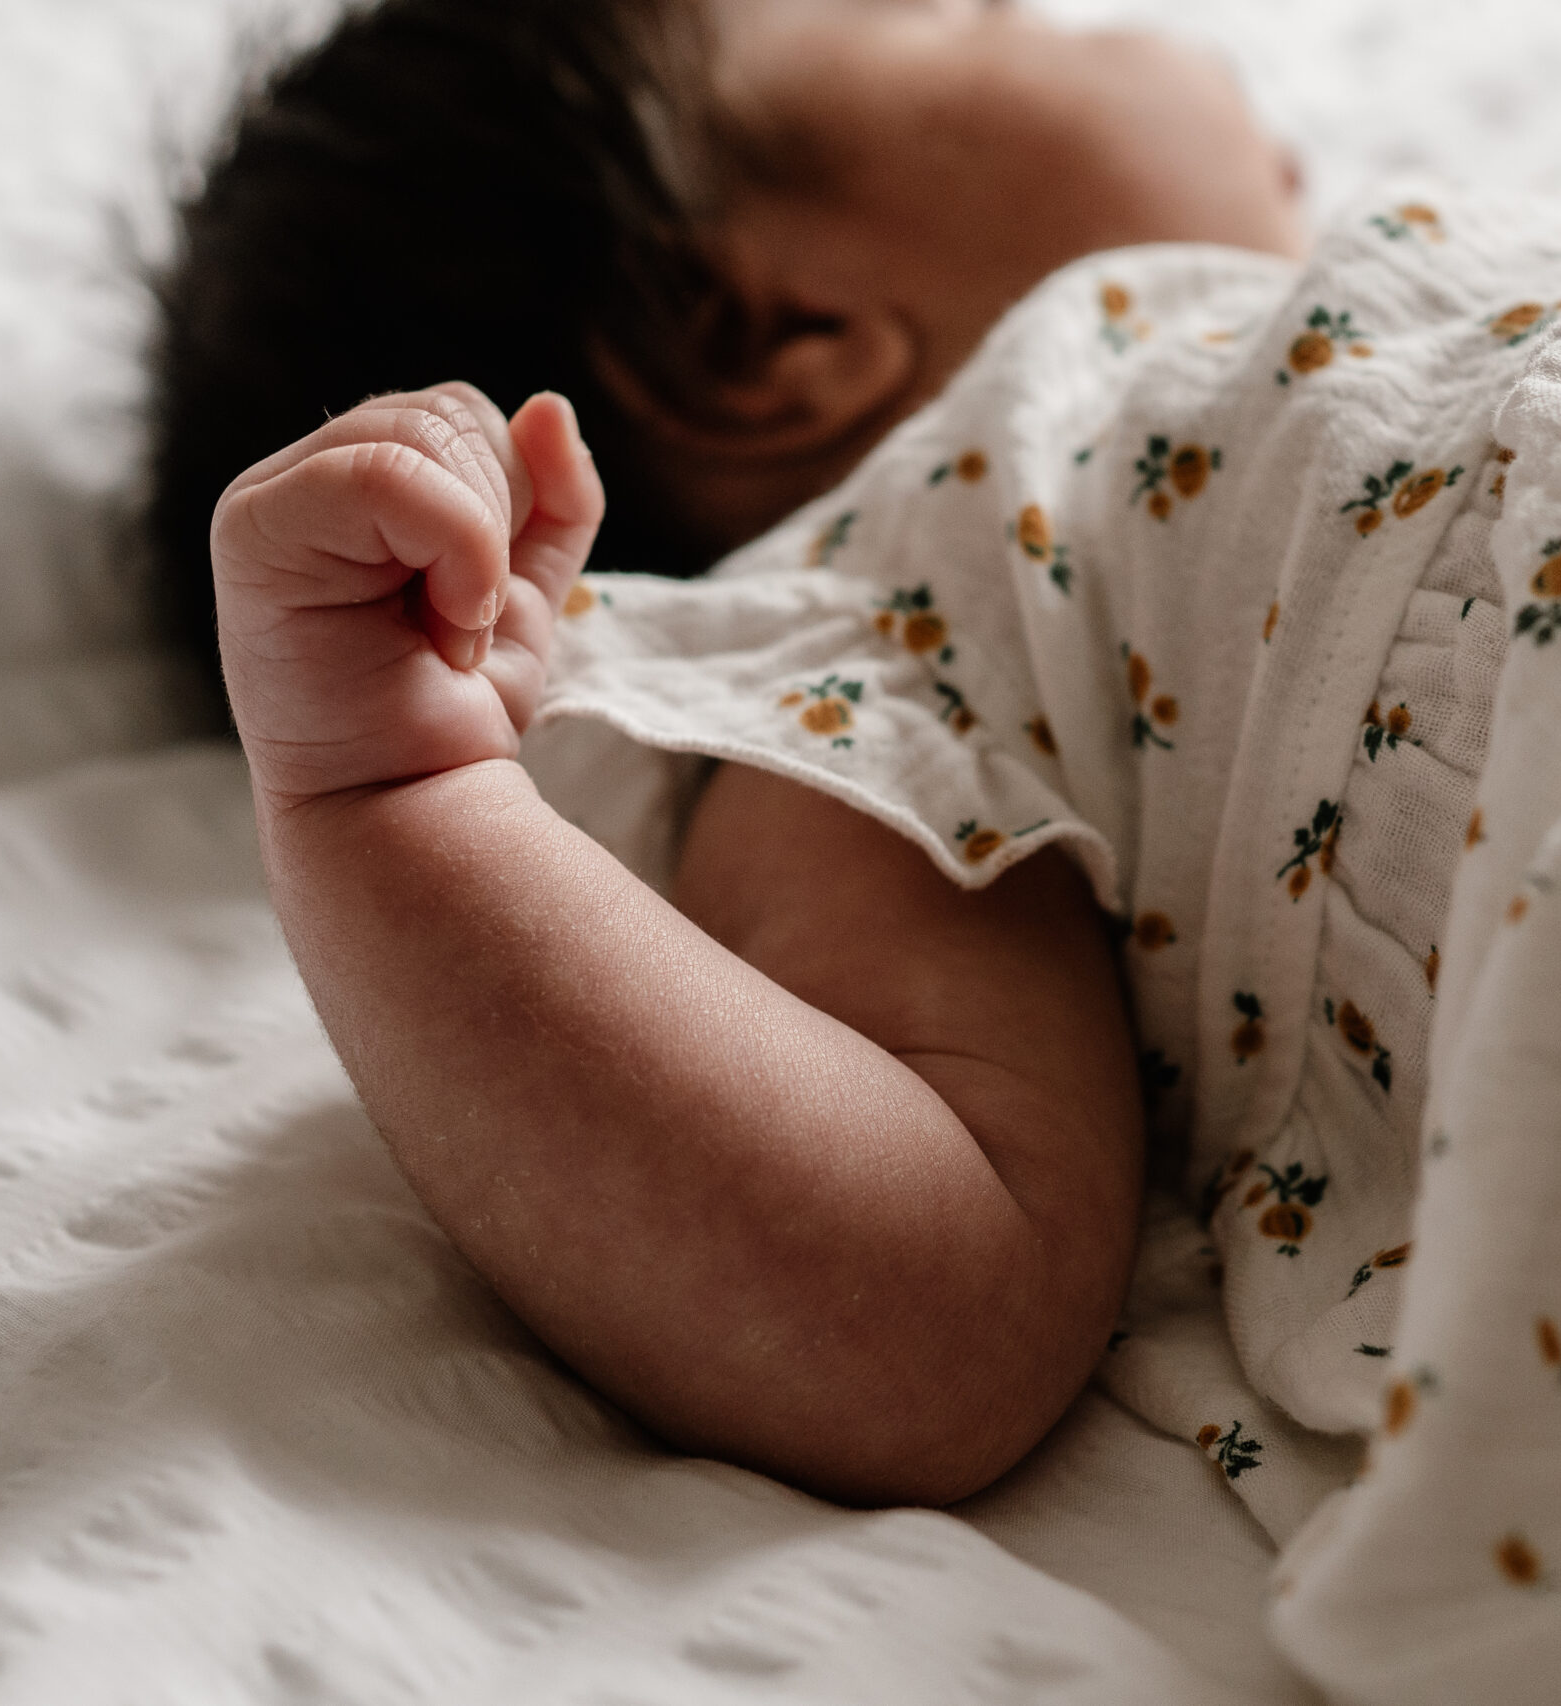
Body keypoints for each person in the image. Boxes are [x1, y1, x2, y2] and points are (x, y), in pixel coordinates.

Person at [152, 0, 1313, 1506]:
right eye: (961, 13)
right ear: (771, 339)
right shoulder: (896, 620)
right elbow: (923, 1306)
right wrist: (392, 799)